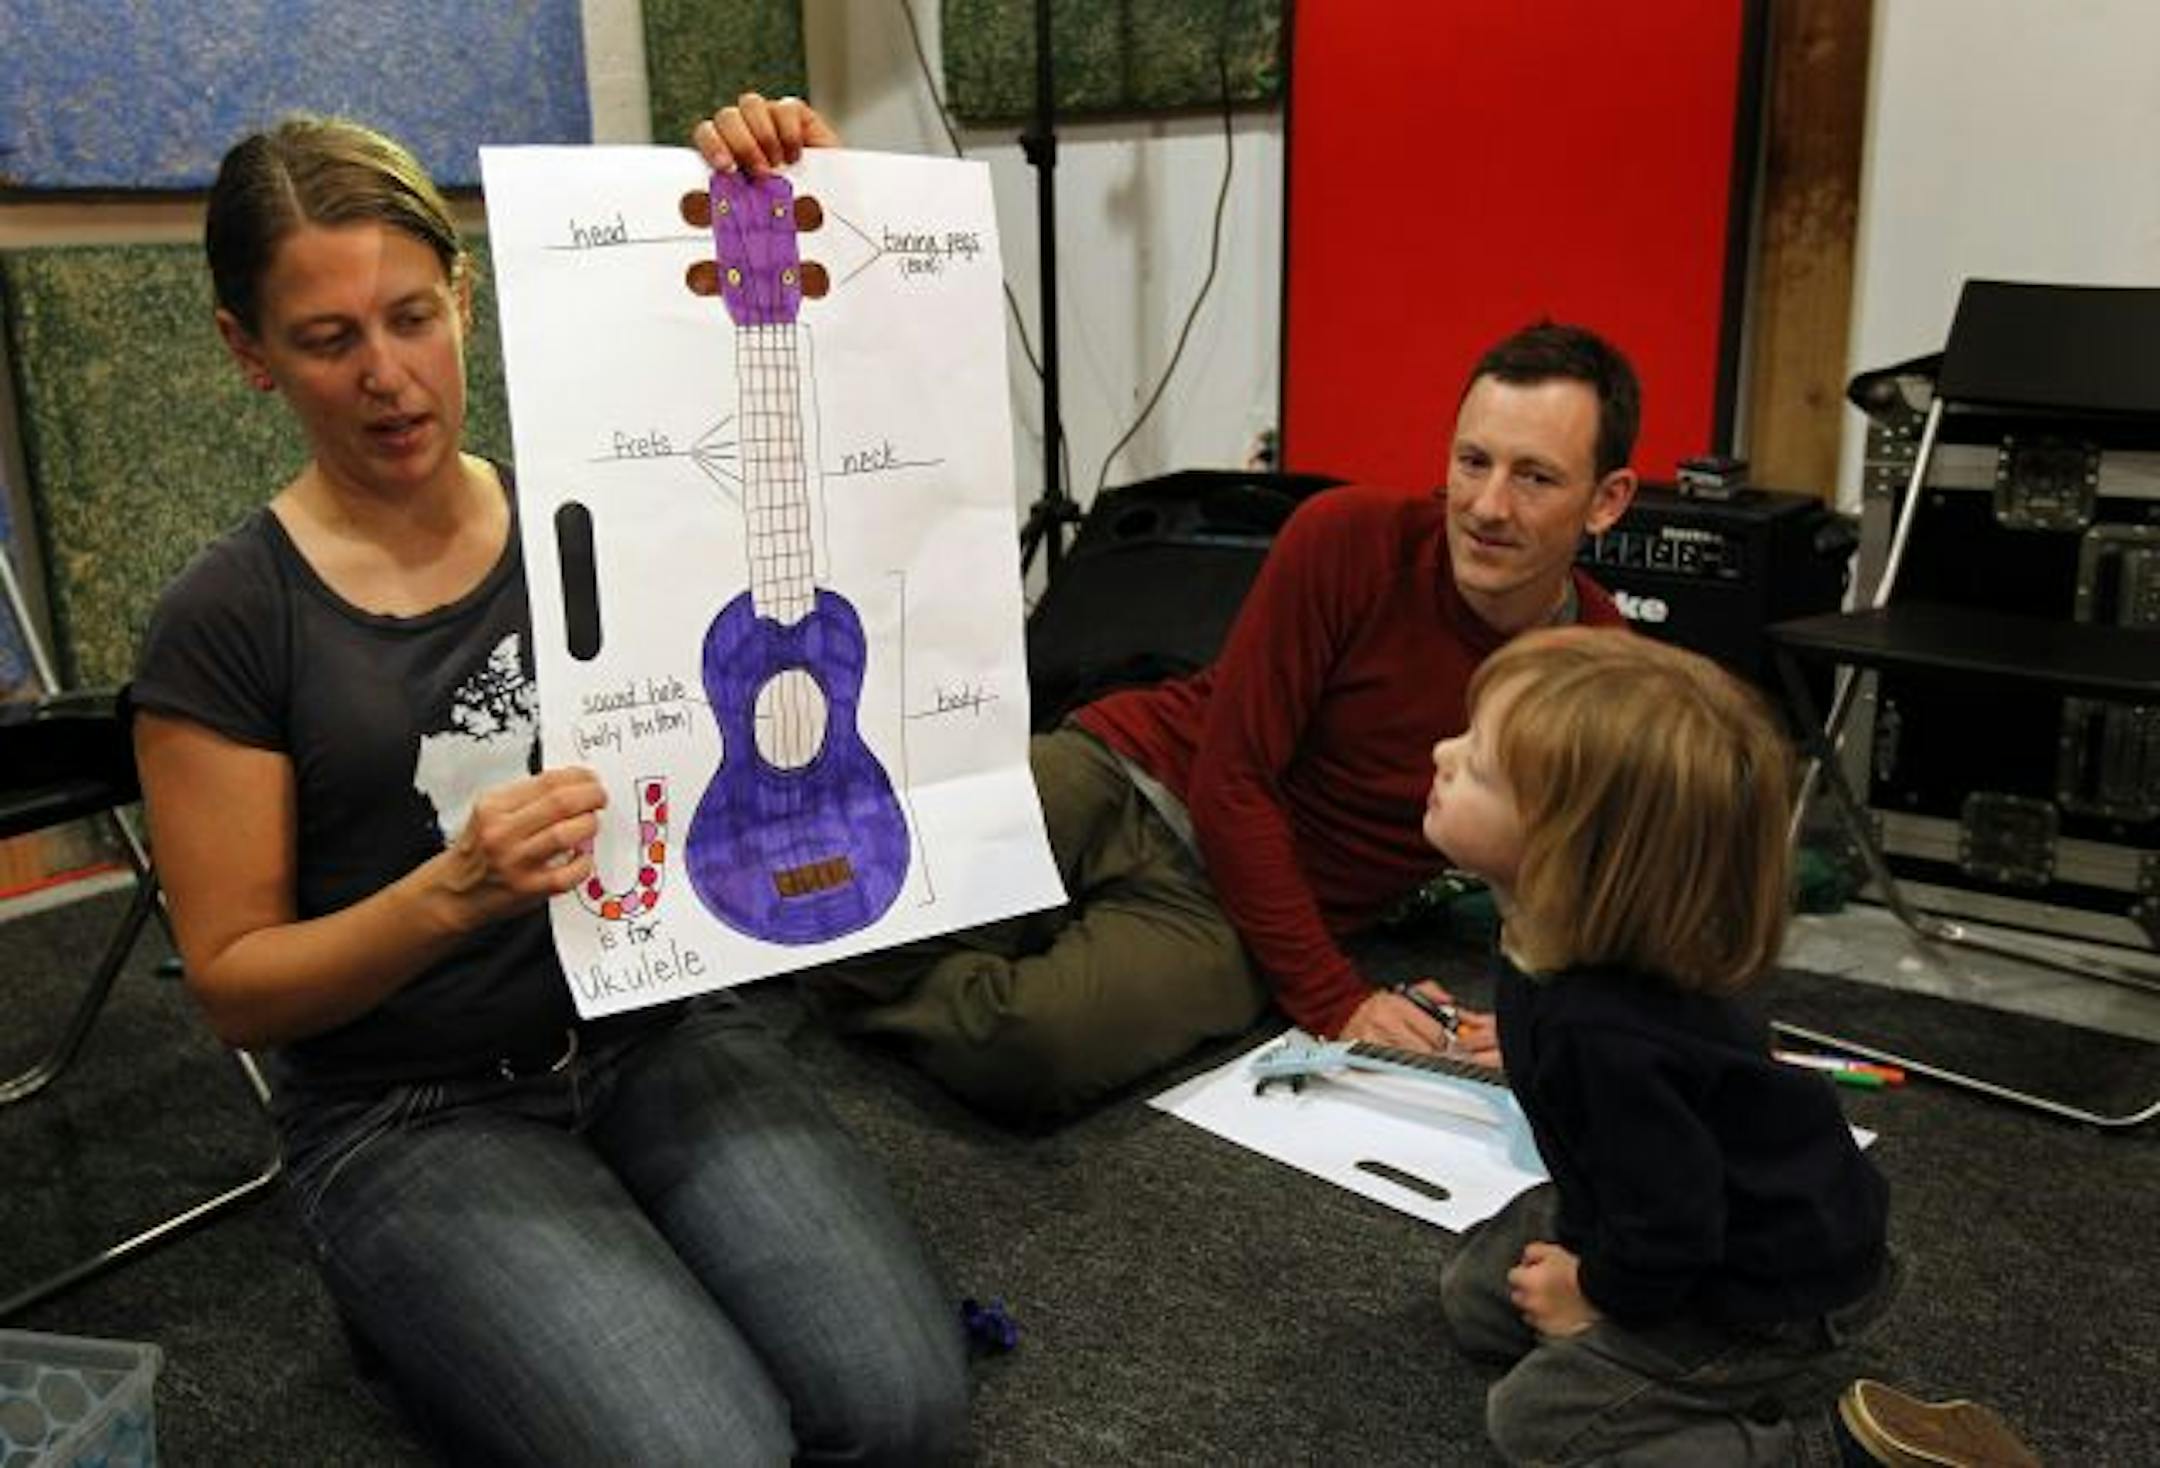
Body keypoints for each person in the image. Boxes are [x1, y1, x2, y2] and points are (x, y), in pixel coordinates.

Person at [130, 102, 965, 1465]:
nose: (389, 375)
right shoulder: (228, 618)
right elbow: (230, 978)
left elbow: (777, 370)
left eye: (412, 315)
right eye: (327, 340)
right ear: (249, 353)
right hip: (408, 1106)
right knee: (711, 1455)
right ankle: (412, 1312)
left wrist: (749, 177)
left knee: (904, 1411)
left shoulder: (603, 519)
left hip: (654, 1026)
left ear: (464, 295)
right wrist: (448, 895)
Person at [739, 83, 1641, 1124]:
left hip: (1239, 913)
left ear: (1607, 499)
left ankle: (934, 958)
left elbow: (1598, 884)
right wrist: (1340, 998)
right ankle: (940, 940)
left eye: (1534, 477)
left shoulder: (1596, 666)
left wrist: (1537, 1028)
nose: (1486, 506)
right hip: (1130, 766)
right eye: (1471, 461)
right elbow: (1235, 772)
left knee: (1031, 1051)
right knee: (840, 884)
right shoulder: (1348, 537)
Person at [1428, 627, 2038, 1467]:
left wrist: (1598, 1295)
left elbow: (1675, 1228)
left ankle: (1829, 1449)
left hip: (1760, 1278)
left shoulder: (1608, 1033)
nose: (1441, 753)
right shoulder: (1558, 944)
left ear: (1574, 852)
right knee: (1474, 1296)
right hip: (1659, 1209)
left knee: (1536, 1424)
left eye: (1481, 766)